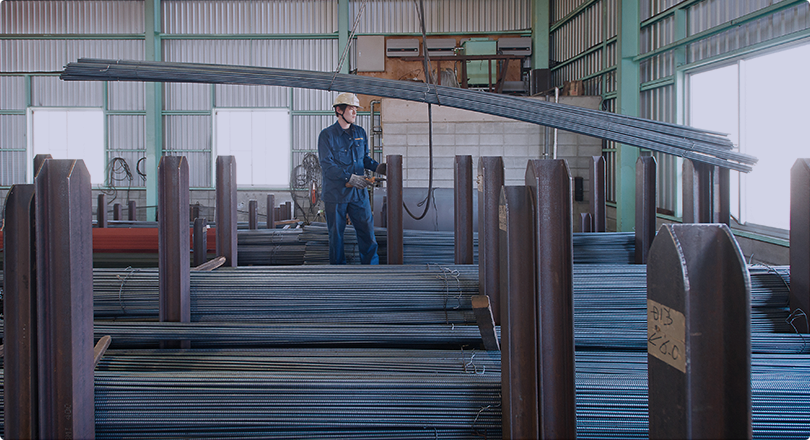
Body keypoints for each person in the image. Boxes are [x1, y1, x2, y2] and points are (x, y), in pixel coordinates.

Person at [318, 92, 386, 265]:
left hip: (358, 194)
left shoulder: (360, 133)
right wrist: (350, 177)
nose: (355, 112)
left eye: (356, 109)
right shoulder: (327, 136)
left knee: (367, 232)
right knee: (336, 236)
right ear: (339, 110)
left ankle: (371, 270)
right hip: (336, 195)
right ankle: (339, 273)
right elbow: (328, 166)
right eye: (351, 108)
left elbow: (364, 159)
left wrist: (378, 167)